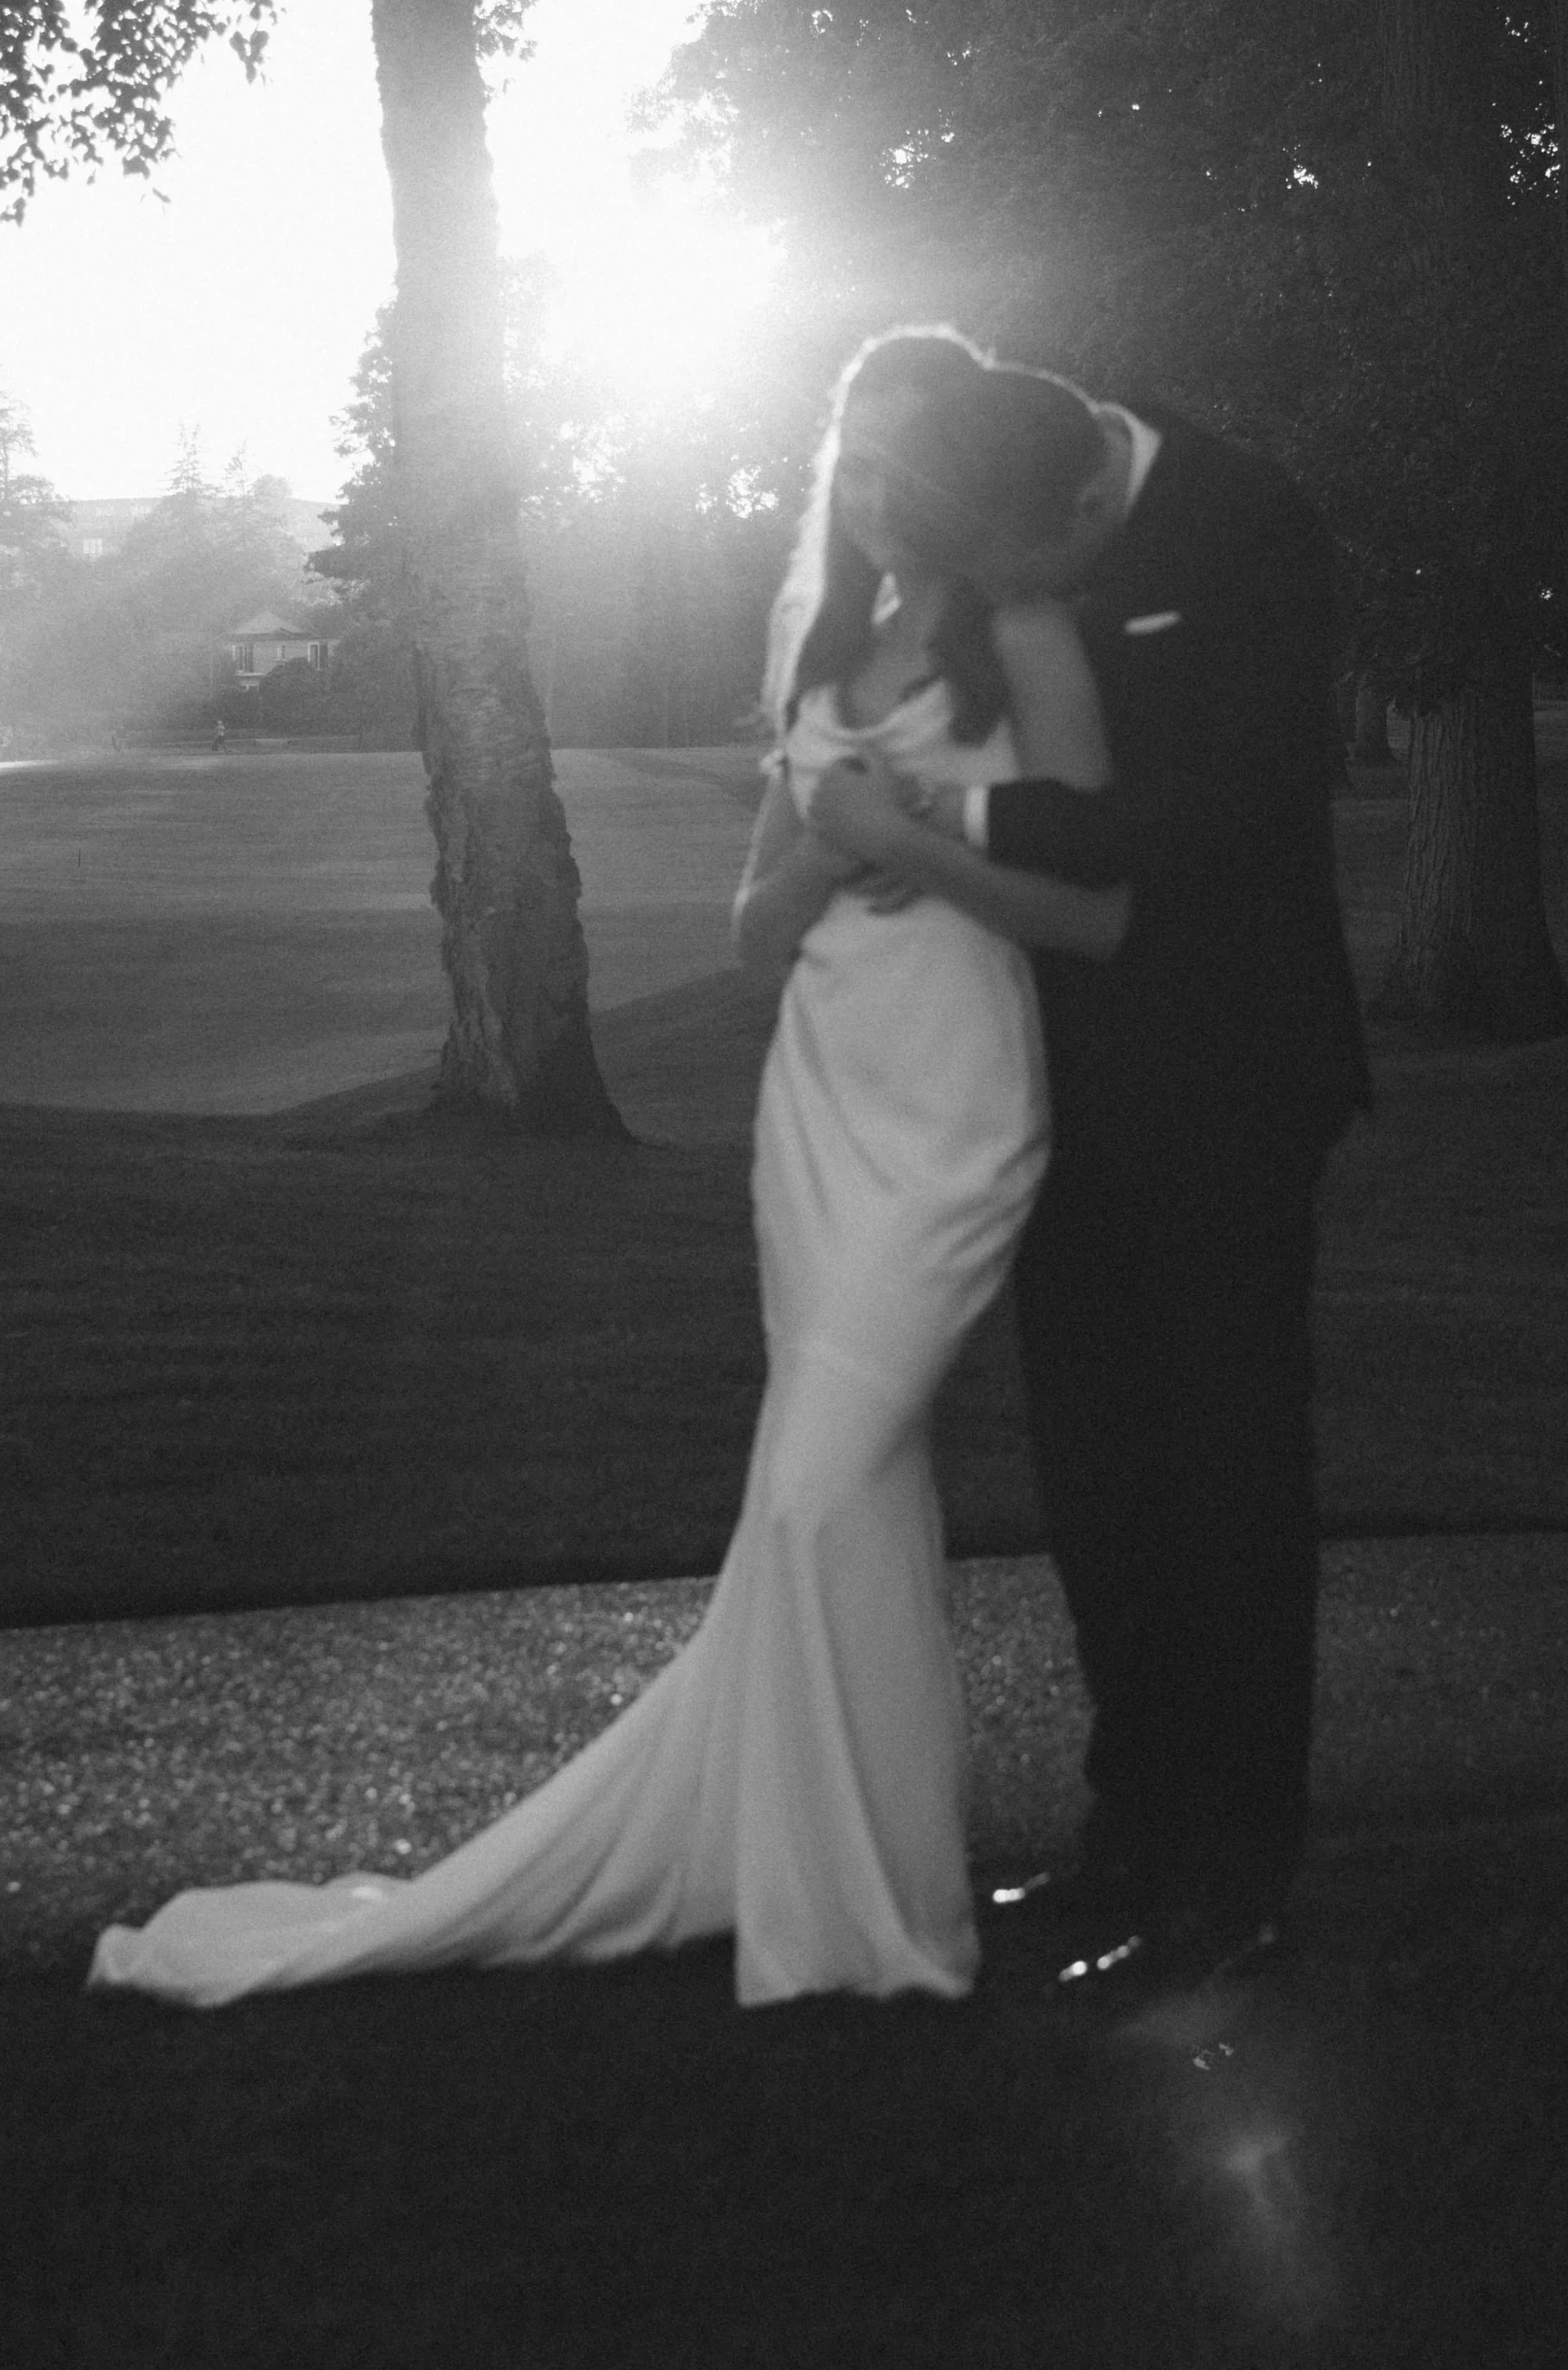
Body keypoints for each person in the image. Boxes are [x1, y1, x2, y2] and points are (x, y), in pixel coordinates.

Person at [87, 333, 1128, 2014]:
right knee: (846, 1498)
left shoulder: (1025, 643)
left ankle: (845, 1891)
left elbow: (1097, 913)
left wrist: (907, 842)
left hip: (956, 1098)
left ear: (965, 481)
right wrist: (828, 857)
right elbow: (751, 922)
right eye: (850, 464)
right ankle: (861, 1891)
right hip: (823, 1098)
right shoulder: (821, 645)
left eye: (904, 466)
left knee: (815, 1479)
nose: (870, 495)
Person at [810, 335, 1370, 2002]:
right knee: (1099, 1476)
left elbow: (1227, 814)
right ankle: (1127, 1832)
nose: (1003, 596)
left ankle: (1234, 1871)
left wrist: (947, 832)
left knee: (1226, 1483)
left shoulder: (1245, 527)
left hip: (1229, 1081)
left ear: (1078, 495)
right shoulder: (1006, 498)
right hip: (1051, 1083)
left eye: (1020, 568)